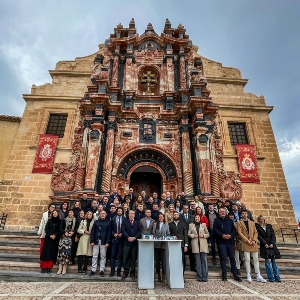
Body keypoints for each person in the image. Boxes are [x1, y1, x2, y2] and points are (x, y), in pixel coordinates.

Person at [236, 209, 266, 283]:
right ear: (241, 214)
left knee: (256, 259)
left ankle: (258, 274)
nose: (244, 215)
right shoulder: (239, 223)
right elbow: (240, 233)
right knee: (247, 259)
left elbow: (255, 232)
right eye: (243, 213)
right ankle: (248, 274)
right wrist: (247, 240)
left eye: (245, 213)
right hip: (245, 242)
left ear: (247, 214)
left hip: (253, 242)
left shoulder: (252, 223)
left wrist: (254, 240)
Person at [213, 207, 242, 282]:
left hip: (230, 242)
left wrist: (230, 235)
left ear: (226, 212)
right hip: (221, 242)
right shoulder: (216, 220)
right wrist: (222, 235)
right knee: (223, 258)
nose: (222, 213)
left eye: (223, 211)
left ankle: (235, 275)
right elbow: (215, 229)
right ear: (219, 213)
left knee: (232, 258)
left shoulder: (230, 220)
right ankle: (224, 275)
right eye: (221, 211)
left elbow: (234, 230)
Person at [256, 215, 281, 282]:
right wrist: (265, 244)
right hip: (264, 246)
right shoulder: (257, 227)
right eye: (260, 219)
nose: (262, 220)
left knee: (273, 261)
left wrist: (272, 243)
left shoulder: (269, 226)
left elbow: (273, 235)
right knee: (267, 262)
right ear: (259, 220)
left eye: (263, 219)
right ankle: (271, 278)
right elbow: (259, 237)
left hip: (272, 245)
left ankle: (277, 278)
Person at [188, 214, 210, 282]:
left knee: (204, 261)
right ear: (194, 218)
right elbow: (188, 234)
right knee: (197, 262)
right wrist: (193, 235)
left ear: (200, 218)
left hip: (203, 244)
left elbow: (208, 234)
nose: (197, 218)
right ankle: (200, 277)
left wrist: (203, 235)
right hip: (195, 245)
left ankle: (205, 276)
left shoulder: (203, 225)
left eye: (198, 217)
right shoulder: (191, 225)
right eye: (196, 217)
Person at [90, 210, 111, 277]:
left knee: (103, 256)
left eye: (104, 214)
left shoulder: (108, 222)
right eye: (101, 213)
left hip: (104, 241)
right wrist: (92, 241)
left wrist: (107, 242)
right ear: (99, 215)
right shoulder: (96, 222)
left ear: (106, 215)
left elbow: (109, 233)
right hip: (96, 241)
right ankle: (93, 270)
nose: (102, 215)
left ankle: (102, 270)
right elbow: (93, 232)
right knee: (95, 255)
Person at [40, 209, 62, 274]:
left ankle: (49, 267)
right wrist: (50, 235)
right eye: (53, 213)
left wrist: (55, 235)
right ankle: (43, 267)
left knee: (52, 253)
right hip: (48, 238)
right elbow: (46, 228)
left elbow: (59, 229)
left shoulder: (60, 221)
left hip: (55, 239)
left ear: (58, 214)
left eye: (56, 213)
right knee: (45, 253)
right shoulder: (49, 221)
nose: (54, 214)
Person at [121, 210, 141, 280]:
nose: (131, 215)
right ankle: (125, 272)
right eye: (130, 213)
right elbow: (123, 230)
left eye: (133, 213)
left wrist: (135, 237)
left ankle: (132, 272)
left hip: (134, 243)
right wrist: (128, 237)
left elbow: (139, 231)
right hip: (127, 242)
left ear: (134, 215)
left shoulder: (137, 222)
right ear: (128, 214)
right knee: (125, 258)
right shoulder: (124, 221)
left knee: (133, 258)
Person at [57, 209, 76, 275]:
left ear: (73, 214)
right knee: (61, 253)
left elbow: (76, 228)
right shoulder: (64, 220)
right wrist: (65, 232)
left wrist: (73, 232)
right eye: (69, 212)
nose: (70, 213)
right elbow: (60, 228)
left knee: (67, 254)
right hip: (63, 238)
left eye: (71, 212)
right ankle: (60, 268)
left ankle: (64, 268)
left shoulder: (75, 220)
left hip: (70, 239)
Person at [153, 213, 170, 283]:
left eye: (161, 217)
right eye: (159, 217)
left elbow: (168, 233)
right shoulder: (155, 224)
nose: (160, 218)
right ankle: (158, 274)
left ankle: (163, 274)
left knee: (163, 260)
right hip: (157, 244)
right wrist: (156, 237)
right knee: (157, 261)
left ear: (163, 218)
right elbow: (153, 233)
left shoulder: (166, 225)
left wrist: (165, 237)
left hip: (163, 244)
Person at [179, 204, 195, 272]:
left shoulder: (191, 217)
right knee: (183, 253)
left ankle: (193, 267)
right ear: (183, 209)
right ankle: (183, 267)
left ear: (188, 209)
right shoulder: (180, 216)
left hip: (190, 236)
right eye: (184, 208)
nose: (186, 209)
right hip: (183, 236)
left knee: (191, 252)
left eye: (187, 208)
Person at [110, 207, 124, 277]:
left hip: (121, 239)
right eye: (119, 211)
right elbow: (110, 228)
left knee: (120, 256)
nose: (120, 212)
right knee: (112, 255)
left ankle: (118, 271)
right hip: (114, 239)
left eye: (121, 211)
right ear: (117, 211)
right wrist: (113, 234)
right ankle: (112, 271)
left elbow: (125, 228)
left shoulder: (124, 219)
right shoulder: (113, 219)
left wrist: (122, 233)